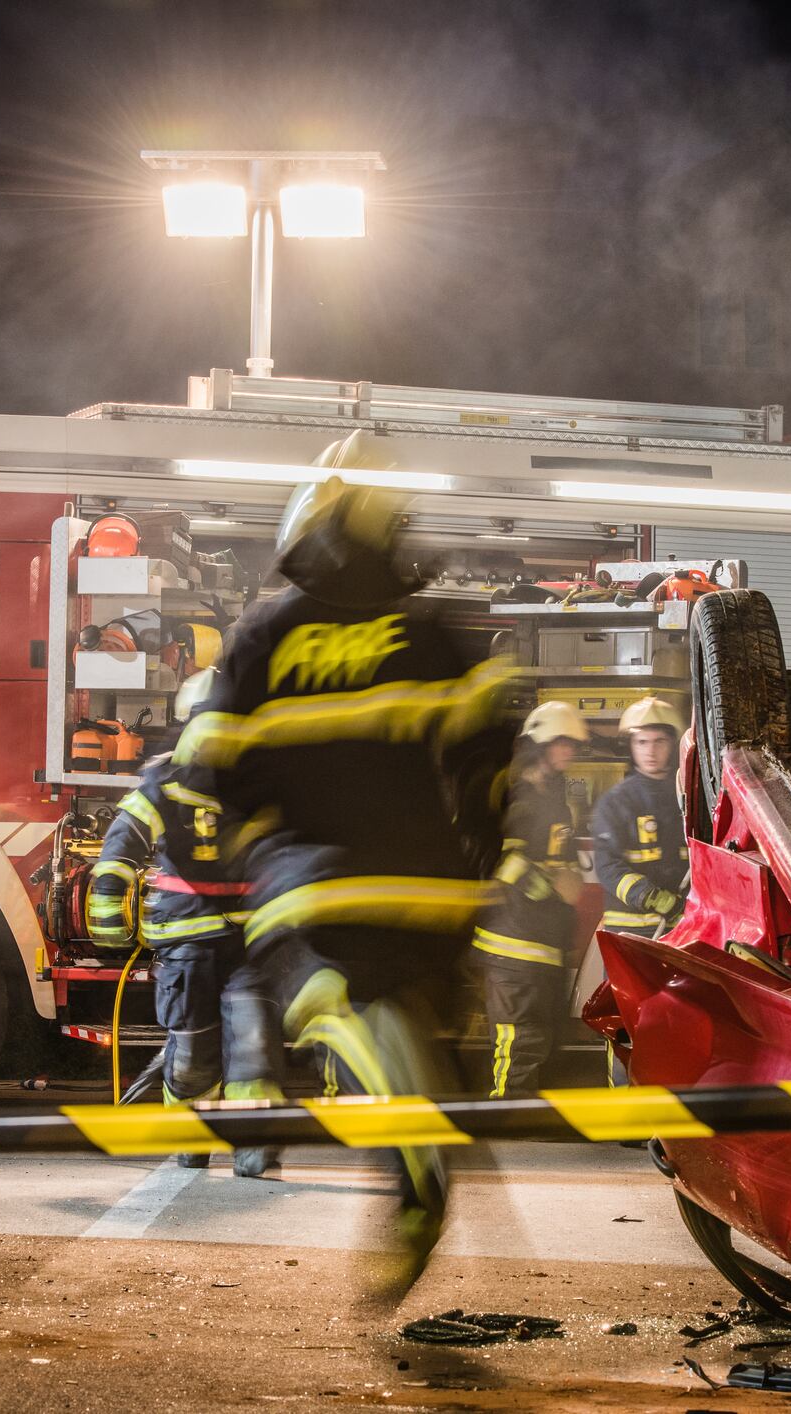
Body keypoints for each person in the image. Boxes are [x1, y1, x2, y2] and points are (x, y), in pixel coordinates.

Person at [177, 433, 515, 1276]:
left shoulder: (263, 636)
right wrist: (481, 859)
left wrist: (258, 839)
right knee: (429, 1009)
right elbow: (488, 762)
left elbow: (208, 764)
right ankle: (430, 1118)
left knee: (317, 997)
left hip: (319, 891)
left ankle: (398, 1113)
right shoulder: (430, 633)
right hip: (435, 889)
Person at [86, 670, 281, 1177]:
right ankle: (190, 1138)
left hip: (249, 940)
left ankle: (252, 1140)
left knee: (255, 1040)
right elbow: (123, 840)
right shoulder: (163, 780)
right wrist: (108, 907)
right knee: (194, 1050)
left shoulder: (266, 782)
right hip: (188, 937)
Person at [473, 700, 589, 1097]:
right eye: (562, 743)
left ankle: (524, 1113)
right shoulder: (515, 796)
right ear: (539, 744)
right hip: (512, 941)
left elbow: (563, 860)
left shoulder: (557, 801)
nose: (569, 751)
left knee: (543, 1037)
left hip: (545, 943)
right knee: (518, 1038)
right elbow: (500, 859)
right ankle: (508, 1112)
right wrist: (549, 885)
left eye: (573, 744)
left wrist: (569, 877)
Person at [591, 696, 689, 937]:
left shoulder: (686, 798)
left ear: (672, 744)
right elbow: (607, 867)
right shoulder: (615, 802)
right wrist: (651, 897)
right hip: (629, 933)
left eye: (659, 742)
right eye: (642, 742)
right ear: (631, 746)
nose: (651, 751)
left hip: (678, 931)